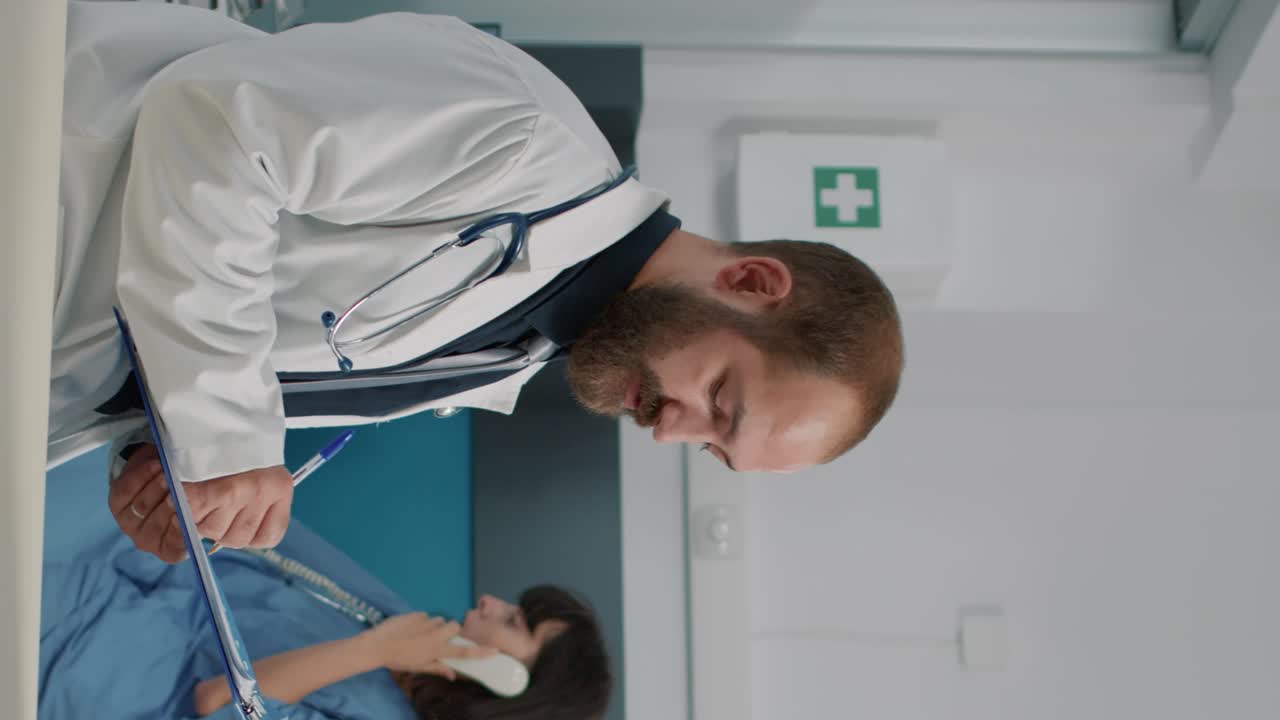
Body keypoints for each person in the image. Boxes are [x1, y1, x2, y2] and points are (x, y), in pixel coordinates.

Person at [53, 2, 905, 562]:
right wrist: (230, 441)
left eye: (710, 447)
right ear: (751, 282)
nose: (668, 432)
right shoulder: (523, 136)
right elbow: (211, 120)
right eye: (720, 398)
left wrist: (162, 464)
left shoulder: (515, 353)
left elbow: (243, 325)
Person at [41, 449, 612, 720]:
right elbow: (284, 543)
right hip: (134, 569)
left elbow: (220, 705)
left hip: (87, 656)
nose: (492, 601)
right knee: (84, 449)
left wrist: (372, 650)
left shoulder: (389, 653)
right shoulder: (411, 631)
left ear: (514, 686)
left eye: (515, 622)